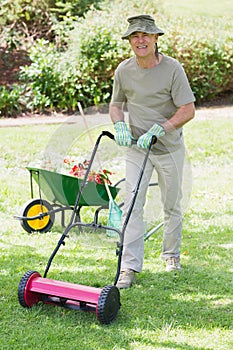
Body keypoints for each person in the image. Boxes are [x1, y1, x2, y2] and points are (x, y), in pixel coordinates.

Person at [109, 14, 195, 289]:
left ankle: (171, 256)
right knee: (132, 203)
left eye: (146, 35)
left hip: (168, 148)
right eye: (135, 36)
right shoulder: (123, 70)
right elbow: (115, 104)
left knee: (171, 204)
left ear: (156, 38)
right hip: (137, 148)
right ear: (129, 41)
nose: (140, 40)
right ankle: (129, 267)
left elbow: (188, 109)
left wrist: (161, 128)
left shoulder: (172, 69)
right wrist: (120, 125)